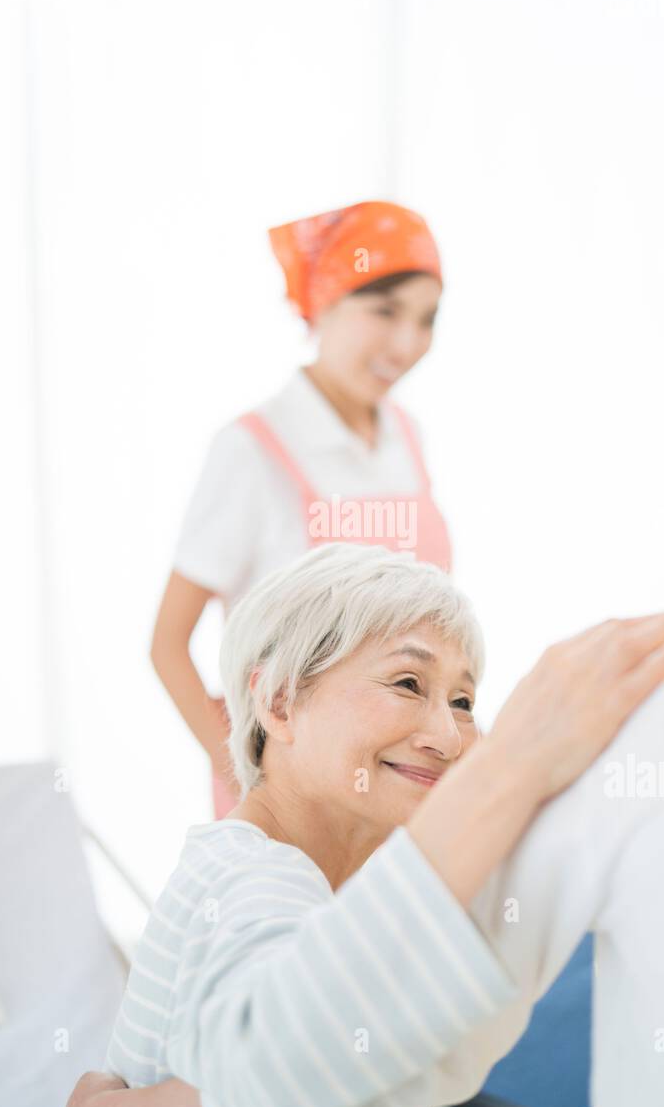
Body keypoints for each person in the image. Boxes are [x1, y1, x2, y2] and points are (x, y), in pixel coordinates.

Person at [60, 545, 664, 1107]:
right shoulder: (251, 878)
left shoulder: (309, 896)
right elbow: (294, 1079)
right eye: (407, 683)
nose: (448, 736)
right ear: (279, 703)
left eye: (463, 701)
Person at [151, 201, 454, 820]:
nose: (407, 342)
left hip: (404, 782)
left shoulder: (408, 437)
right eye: (384, 310)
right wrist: (252, 783)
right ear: (324, 302)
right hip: (295, 801)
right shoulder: (253, 450)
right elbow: (167, 643)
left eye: (426, 320)